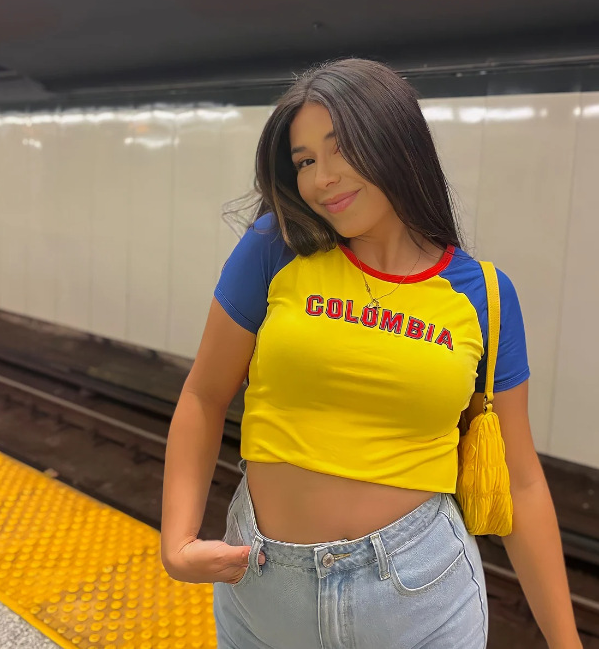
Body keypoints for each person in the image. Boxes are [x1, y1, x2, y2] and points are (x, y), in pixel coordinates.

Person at [161, 58, 582, 649]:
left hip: (419, 594)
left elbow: (520, 480)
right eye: (305, 161)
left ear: (397, 144)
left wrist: (566, 643)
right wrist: (176, 541)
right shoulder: (276, 250)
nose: (322, 179)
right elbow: (205, 396)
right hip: (265, 588)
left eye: (341, 149)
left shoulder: (483, 294)